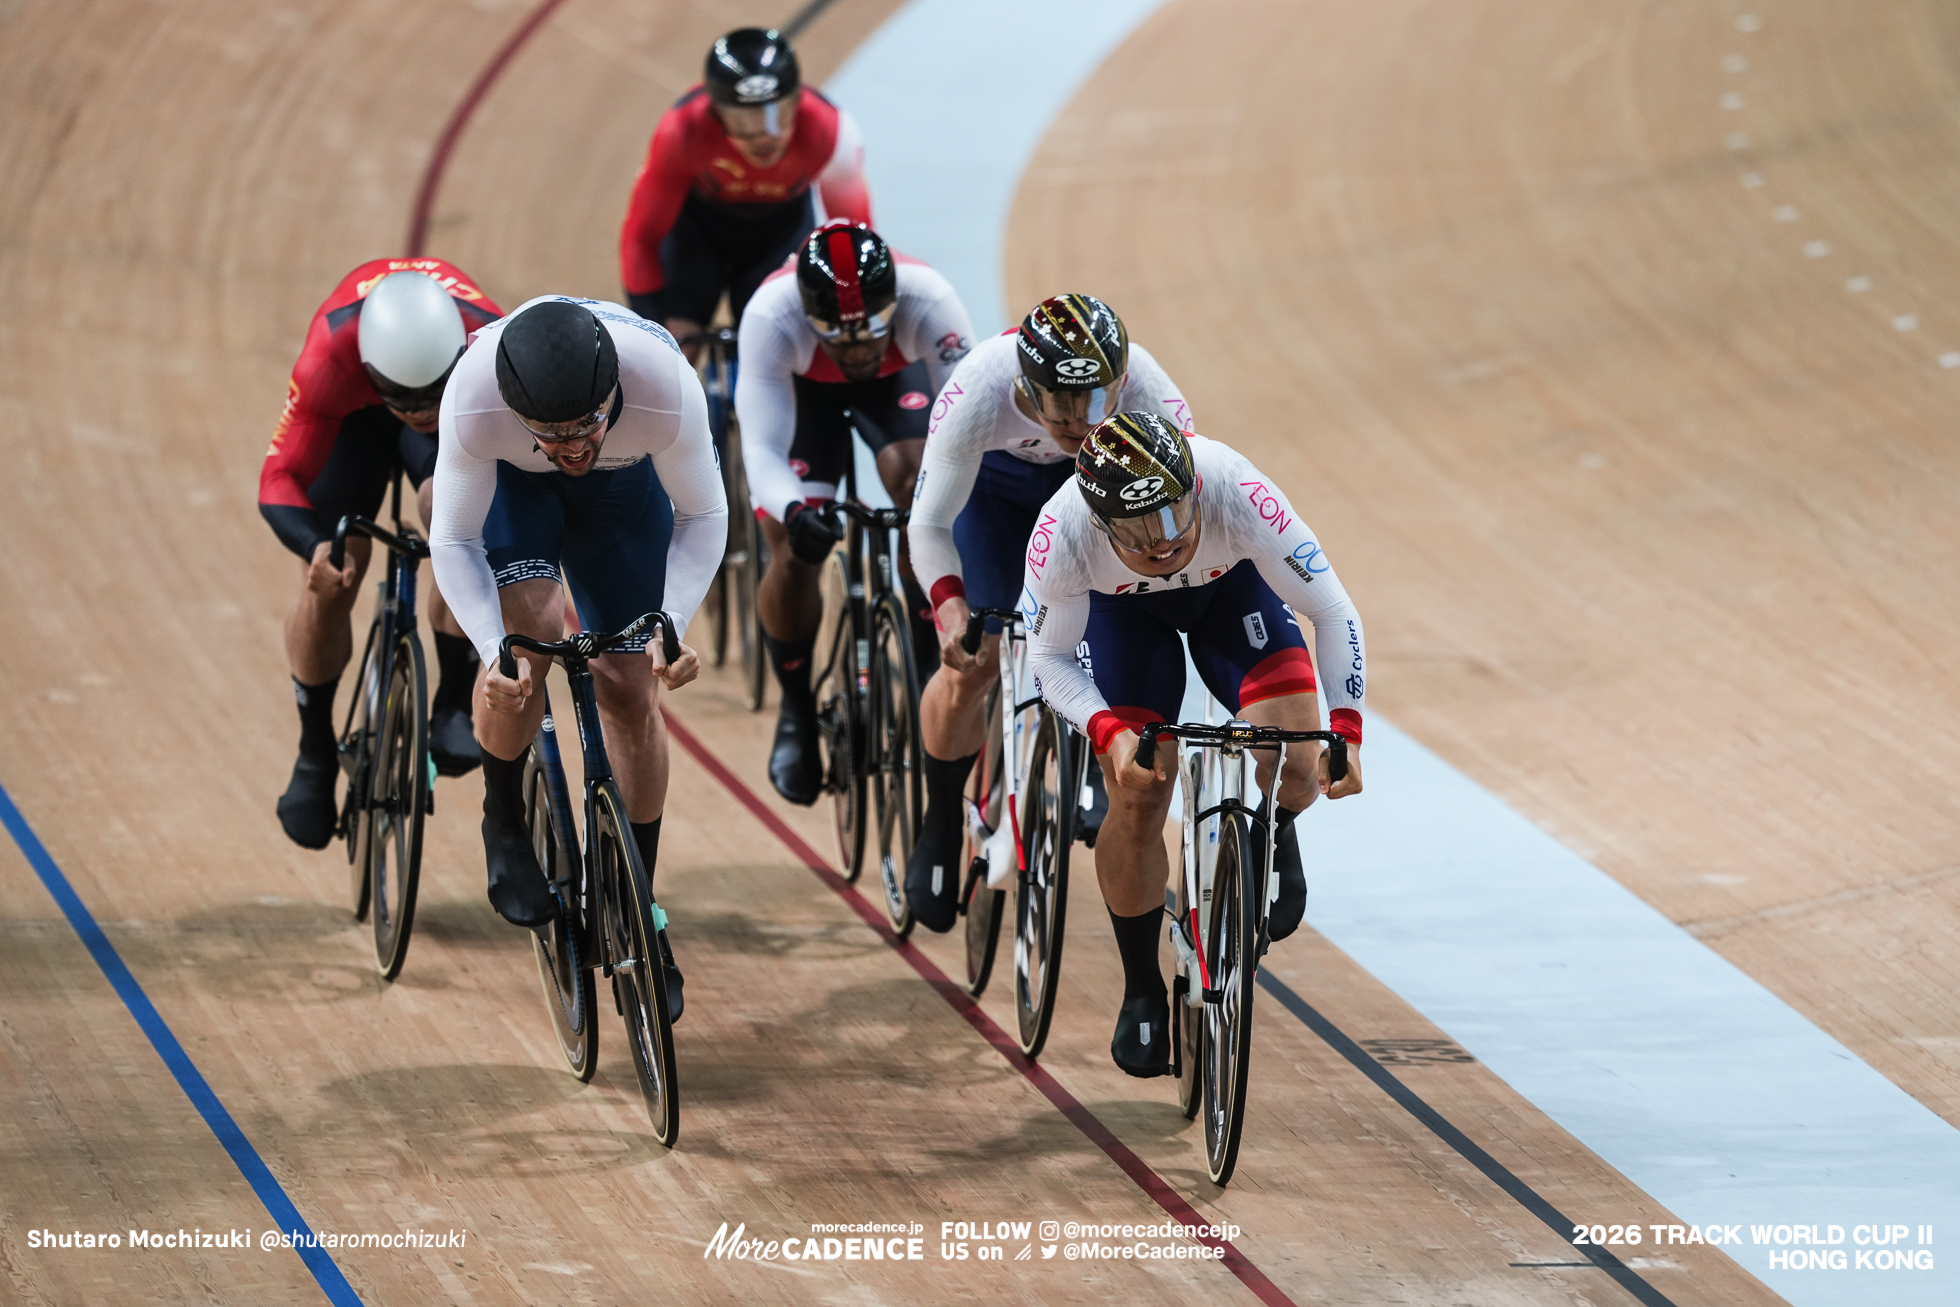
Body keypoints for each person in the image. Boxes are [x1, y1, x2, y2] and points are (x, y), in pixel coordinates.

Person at [1022, 412, 1366, 1077]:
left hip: (1226, 596)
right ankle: (1143, 986)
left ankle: (1272, 830)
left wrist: (1347, 728)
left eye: (1175, 517)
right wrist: (1109, 735)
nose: (1163, 542)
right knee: (1139, 791)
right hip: (1121, 619)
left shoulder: (1232, 484)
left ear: (1192, 489)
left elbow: (1331, 608)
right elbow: (1049, 656)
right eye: (1139, 531)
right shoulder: (1061, 531)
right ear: (1101, 522)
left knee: (1299, 756)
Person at [428, 297, 726, 1015]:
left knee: (629, 684)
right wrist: (491, 648)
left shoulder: (663, 384)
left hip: (624, 495)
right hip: (516, 493)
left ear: (614, 392)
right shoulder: (472, 397)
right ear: (515, 410)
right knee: (523, 653)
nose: (572, 447)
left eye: (586, 425)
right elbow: (453, 540)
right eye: (552, 434)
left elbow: (706, 513)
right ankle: (503, 817)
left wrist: (672, 624)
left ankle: (639, 902)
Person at [902, 294, 1194, 930]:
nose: (1080, 419)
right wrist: (951, 611)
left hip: (1095, 504)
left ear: (1120, 382)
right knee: (975, 659)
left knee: (1101, 634)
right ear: (1023, 383)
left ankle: (1089, 755)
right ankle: (939, 816)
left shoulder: (1148, 388)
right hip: (996, 498)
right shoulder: (978, 385)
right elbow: (928, 523)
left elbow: (1183, 505)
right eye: (1062, 402)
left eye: (1097, 400)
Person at [260, 260, 504, 850]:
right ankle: (314, 746)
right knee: (333, 576)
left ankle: (451, 695)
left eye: (430, 394)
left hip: (449, 421)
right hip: (353, 419)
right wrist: (316, 547)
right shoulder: (329, 359)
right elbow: (279, 479)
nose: (420, 409)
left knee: (457, 517)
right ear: (372, 370)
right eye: (406, 399)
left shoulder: (491, 345)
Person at [736, 220, 972, 804]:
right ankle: (795, 712)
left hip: (897, 385)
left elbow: (968, 426)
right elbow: (761, 450)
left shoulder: (929, 301)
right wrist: (794, 512)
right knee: (791, 549)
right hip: (803, 395)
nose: (860, 351)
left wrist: (931, 517)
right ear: (810, 317)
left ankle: (926, 671)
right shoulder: (771, 316)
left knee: (924, 492)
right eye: (844, 341)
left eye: (871, 335)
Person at [619, 26, 871, 357]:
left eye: (777, 116)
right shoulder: (681, 132)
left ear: (797, 101)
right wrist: (652, 325)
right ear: (716, 113)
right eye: (744, 123)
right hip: (698, 235)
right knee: (676, 349)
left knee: (773, 352)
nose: (764, 136)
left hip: (778, 235)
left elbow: (851, 237)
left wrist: (852, 307)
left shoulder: (831, 131)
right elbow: (641, 237)